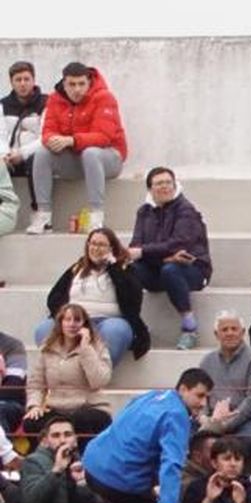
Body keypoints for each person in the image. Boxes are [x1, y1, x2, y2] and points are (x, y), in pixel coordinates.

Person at [81, 368, 212, 503]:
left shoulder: (153, 395)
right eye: (200, 396)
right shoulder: (177, 415)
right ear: (183, 389)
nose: (204, 403)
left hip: (93, 462)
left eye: (207, 398)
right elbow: (172, 462)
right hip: (118, 477)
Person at [26, 62, 125, 234]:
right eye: (72, 84)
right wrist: (53, 140)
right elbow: (47, 131)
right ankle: (44, 216)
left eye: (81, 84)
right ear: (64, 83)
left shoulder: (104, 97)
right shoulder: (55, 99)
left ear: (89, 82)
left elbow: (103, 137)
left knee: (91, 153)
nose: (77, 89)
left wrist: (71, 140)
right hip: (77, 159)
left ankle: (96, 216)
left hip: (109, 159)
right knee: (42, 153)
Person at [127, 166, 211, 349]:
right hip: (158, 267)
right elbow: (135, 246)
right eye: (159, 183)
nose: (164, 187)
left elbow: (179, 244)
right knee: (130, 270)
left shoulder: (186, 209)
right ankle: (132, 324)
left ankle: (189, 327)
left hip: (193, 269)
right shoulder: (144, 212)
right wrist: (162, 257)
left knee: (171, 270)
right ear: (150, 189)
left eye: (168, 182)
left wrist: (146, 253)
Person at [39, 227, 149, 364]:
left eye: (102, 245)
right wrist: (68, 318)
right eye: (93, 243)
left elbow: (133, 301)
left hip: (108, 321)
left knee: (116, 331)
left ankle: (95, 375)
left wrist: (113, 267)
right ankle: (64, 373)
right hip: (76, 320)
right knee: (44, 329)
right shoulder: (77, 268)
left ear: (112, 248)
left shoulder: (124, 269)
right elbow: (54, 298)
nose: (96, 248)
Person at [23, 302, 112, 440]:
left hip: (90, 407)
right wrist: (34, 406)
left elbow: (99, 381)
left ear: (85, 324)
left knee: (79, 420)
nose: (72, 324)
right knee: (32, 422)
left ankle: (82, 460)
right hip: (57, 408)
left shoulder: (97, 348)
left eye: (77, 320)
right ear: (61, 323)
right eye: (67, 319)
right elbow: (36, 384)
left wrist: (85, 348)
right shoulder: (48, 349)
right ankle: (45, 460)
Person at [195, 311, 251, 445]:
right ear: (216, 334)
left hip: (244, 419)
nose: (229, 333)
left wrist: (225, 424)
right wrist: (204, 418)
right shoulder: (207, 361)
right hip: (212, 417)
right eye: (224, 329)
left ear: (243, 332)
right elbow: (201, 395)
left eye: (234, 329)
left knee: (246, 439)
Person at [18, 412, 98, 503]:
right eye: (56, 436)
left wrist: (82, 483)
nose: (63, 440)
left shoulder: (83, 463)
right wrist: (56, 471)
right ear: (44, 441)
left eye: (68, 435)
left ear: (75, 440)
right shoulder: (33, 461)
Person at [178, 436, 251, 503]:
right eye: (227, 459)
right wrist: (208, 500)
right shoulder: (197, 488)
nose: (233, 464)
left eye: (238, 459)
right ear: (214, 463)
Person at [3, 61, 45, 208]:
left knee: (38, 159)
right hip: (9, 157)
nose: (23, 84)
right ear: (11, 82)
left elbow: (45, 136)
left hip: (32, 156)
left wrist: (22, 153)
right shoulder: (3, 105)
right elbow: (1, 135)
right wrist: (5, 154)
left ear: (33, 80)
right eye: (18, 80)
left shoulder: (46, 103)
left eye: (26, 79)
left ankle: (39, 210)